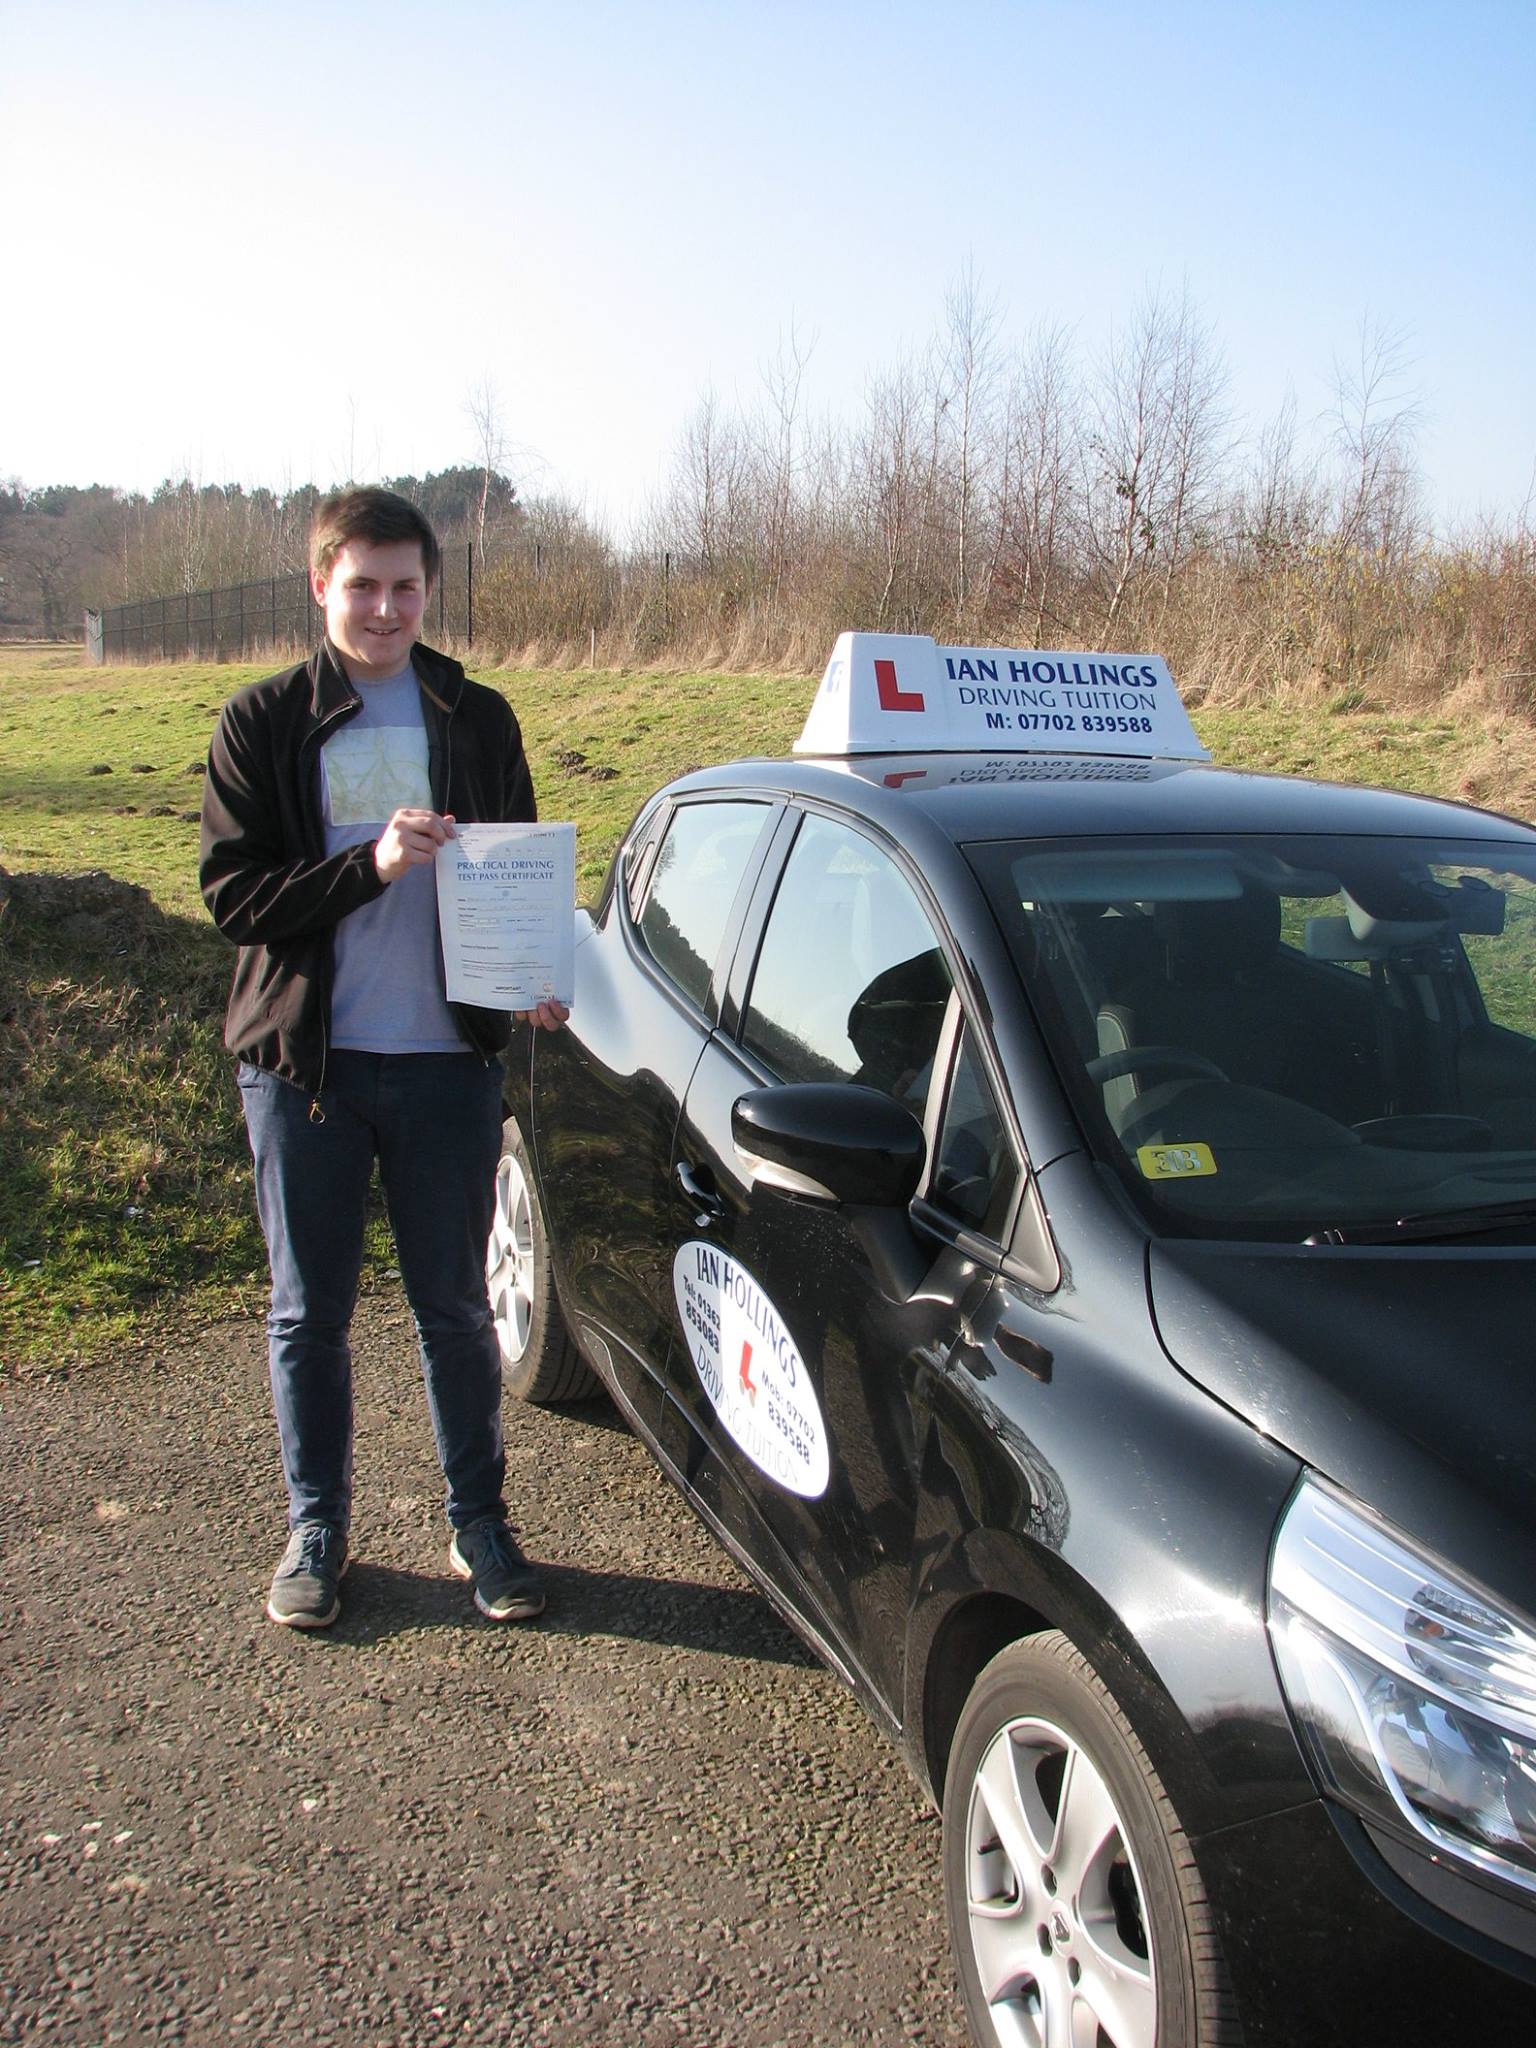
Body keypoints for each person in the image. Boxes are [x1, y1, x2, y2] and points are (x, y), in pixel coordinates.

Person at [200, 486, 566, 1631]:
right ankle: (317, 1528)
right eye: (362, 584)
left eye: (406, 586)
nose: (385, 608)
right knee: (309, 1313)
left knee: (455, 1307)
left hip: (445, 1065)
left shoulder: (477, 714)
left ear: (428, 587)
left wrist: (535, 971)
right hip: (305, 1067)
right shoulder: (262, 721)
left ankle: (480, 1523)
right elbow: (235, 896)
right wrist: (371, 866)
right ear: (321, 583)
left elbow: (514, 858)